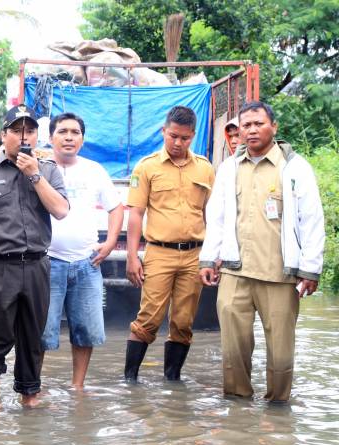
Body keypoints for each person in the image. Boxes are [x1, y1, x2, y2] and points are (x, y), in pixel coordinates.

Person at [199, 101, 324, 402]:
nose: (252, 130)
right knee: (233, 351)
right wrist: (208, 258)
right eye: (246, 125)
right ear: (239, 131)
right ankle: (237, 408)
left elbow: (311, 219)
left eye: (259, 123)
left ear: (274, 127)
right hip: (235, 271)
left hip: (279, 275)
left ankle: (278, 409)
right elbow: (216, 217)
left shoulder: (295, 167)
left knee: (281, 353)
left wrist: (310, 269)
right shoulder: (229, 169)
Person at [0, 104, 69, 410]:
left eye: (30, 131)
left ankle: (29, 398)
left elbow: (60, 210)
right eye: (17, 130)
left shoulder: (48, 171)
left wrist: (34, 175)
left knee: (33, 337)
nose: (24, 137)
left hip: (36, 265)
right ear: (4, 135)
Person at [124, 106, 215, 383]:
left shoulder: (205, 168)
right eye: (173, 136)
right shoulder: (147, 167)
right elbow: (136, 214)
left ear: (193, 136)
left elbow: (211, 215)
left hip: (194, 254)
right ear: (163, 131)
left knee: (184, 322)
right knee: (149, 318)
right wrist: (131, 257)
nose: (178, 143)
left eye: (184, 138)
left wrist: (213, 256)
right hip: (159, 252)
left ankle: (173, 381)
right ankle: (130, 380)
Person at [39, 112, 123, 389]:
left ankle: (78, 387)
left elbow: (116, 208)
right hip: (46, 262)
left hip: (87, 262)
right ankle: (33, 386)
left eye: (75, 132)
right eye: (62, 132)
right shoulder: (38, 170)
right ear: (50, 137)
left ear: (82, 140)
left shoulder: (94, 170)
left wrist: (110, 242)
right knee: (41, 330)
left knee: (86, 331)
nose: (69, 137)